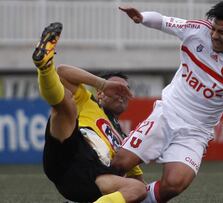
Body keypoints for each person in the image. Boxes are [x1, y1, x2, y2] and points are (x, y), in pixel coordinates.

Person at [113, 0, 223, 202]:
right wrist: (142, 18)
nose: (214, 36)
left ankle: (131, 199)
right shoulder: (199, 30)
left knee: (174, 184)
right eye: (214, 29)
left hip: (196, 132)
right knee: (120, 163)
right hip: (166, 114)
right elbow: (164, 22)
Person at [32, 22, 146, 203]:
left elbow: (137, 182)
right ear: (101, 94)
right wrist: (102, 83)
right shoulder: (88, 102)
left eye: (126, 91)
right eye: (117, 90)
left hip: (95, 177)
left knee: (138, 188)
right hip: (71, 149)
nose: (122, 95)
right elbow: (62, 73)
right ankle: (45, 67)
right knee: (66, 104)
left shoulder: (127, 141)